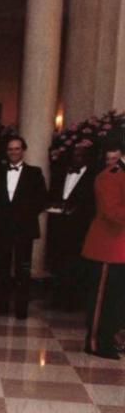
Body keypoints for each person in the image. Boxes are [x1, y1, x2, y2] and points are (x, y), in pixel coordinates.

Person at [0, 135, 48, 319]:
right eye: (10, 149)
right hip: (2, 229)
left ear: (23, 150)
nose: (13, 152)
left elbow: (41, 200)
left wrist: (23, 214)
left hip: (24, 228)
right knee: (1, 269)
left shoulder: (34, 173)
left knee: (23, 269)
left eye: (17, 148)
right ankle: (0, 306)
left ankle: (22, 309)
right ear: (7, 152)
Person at [81, 144, 125, 359]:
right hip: (109, 247)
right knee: (103, 300)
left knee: (118, 299)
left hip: (121, 247)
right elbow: (112, 211)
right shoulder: (110, 175)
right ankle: (96, 342)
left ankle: (113, 337)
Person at [46, 143, 96, 311]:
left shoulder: (93, 176)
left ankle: (73, 303)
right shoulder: (61, 173)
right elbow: (53, 194)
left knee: (75, 265)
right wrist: (56, 204)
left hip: (78, 228)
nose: (77, 157)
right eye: (74, 154)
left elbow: (93, 204)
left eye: (80, 155)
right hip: (59, 225)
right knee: (58, 262)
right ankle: (57, 300)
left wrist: (76, 209)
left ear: (87, 157)